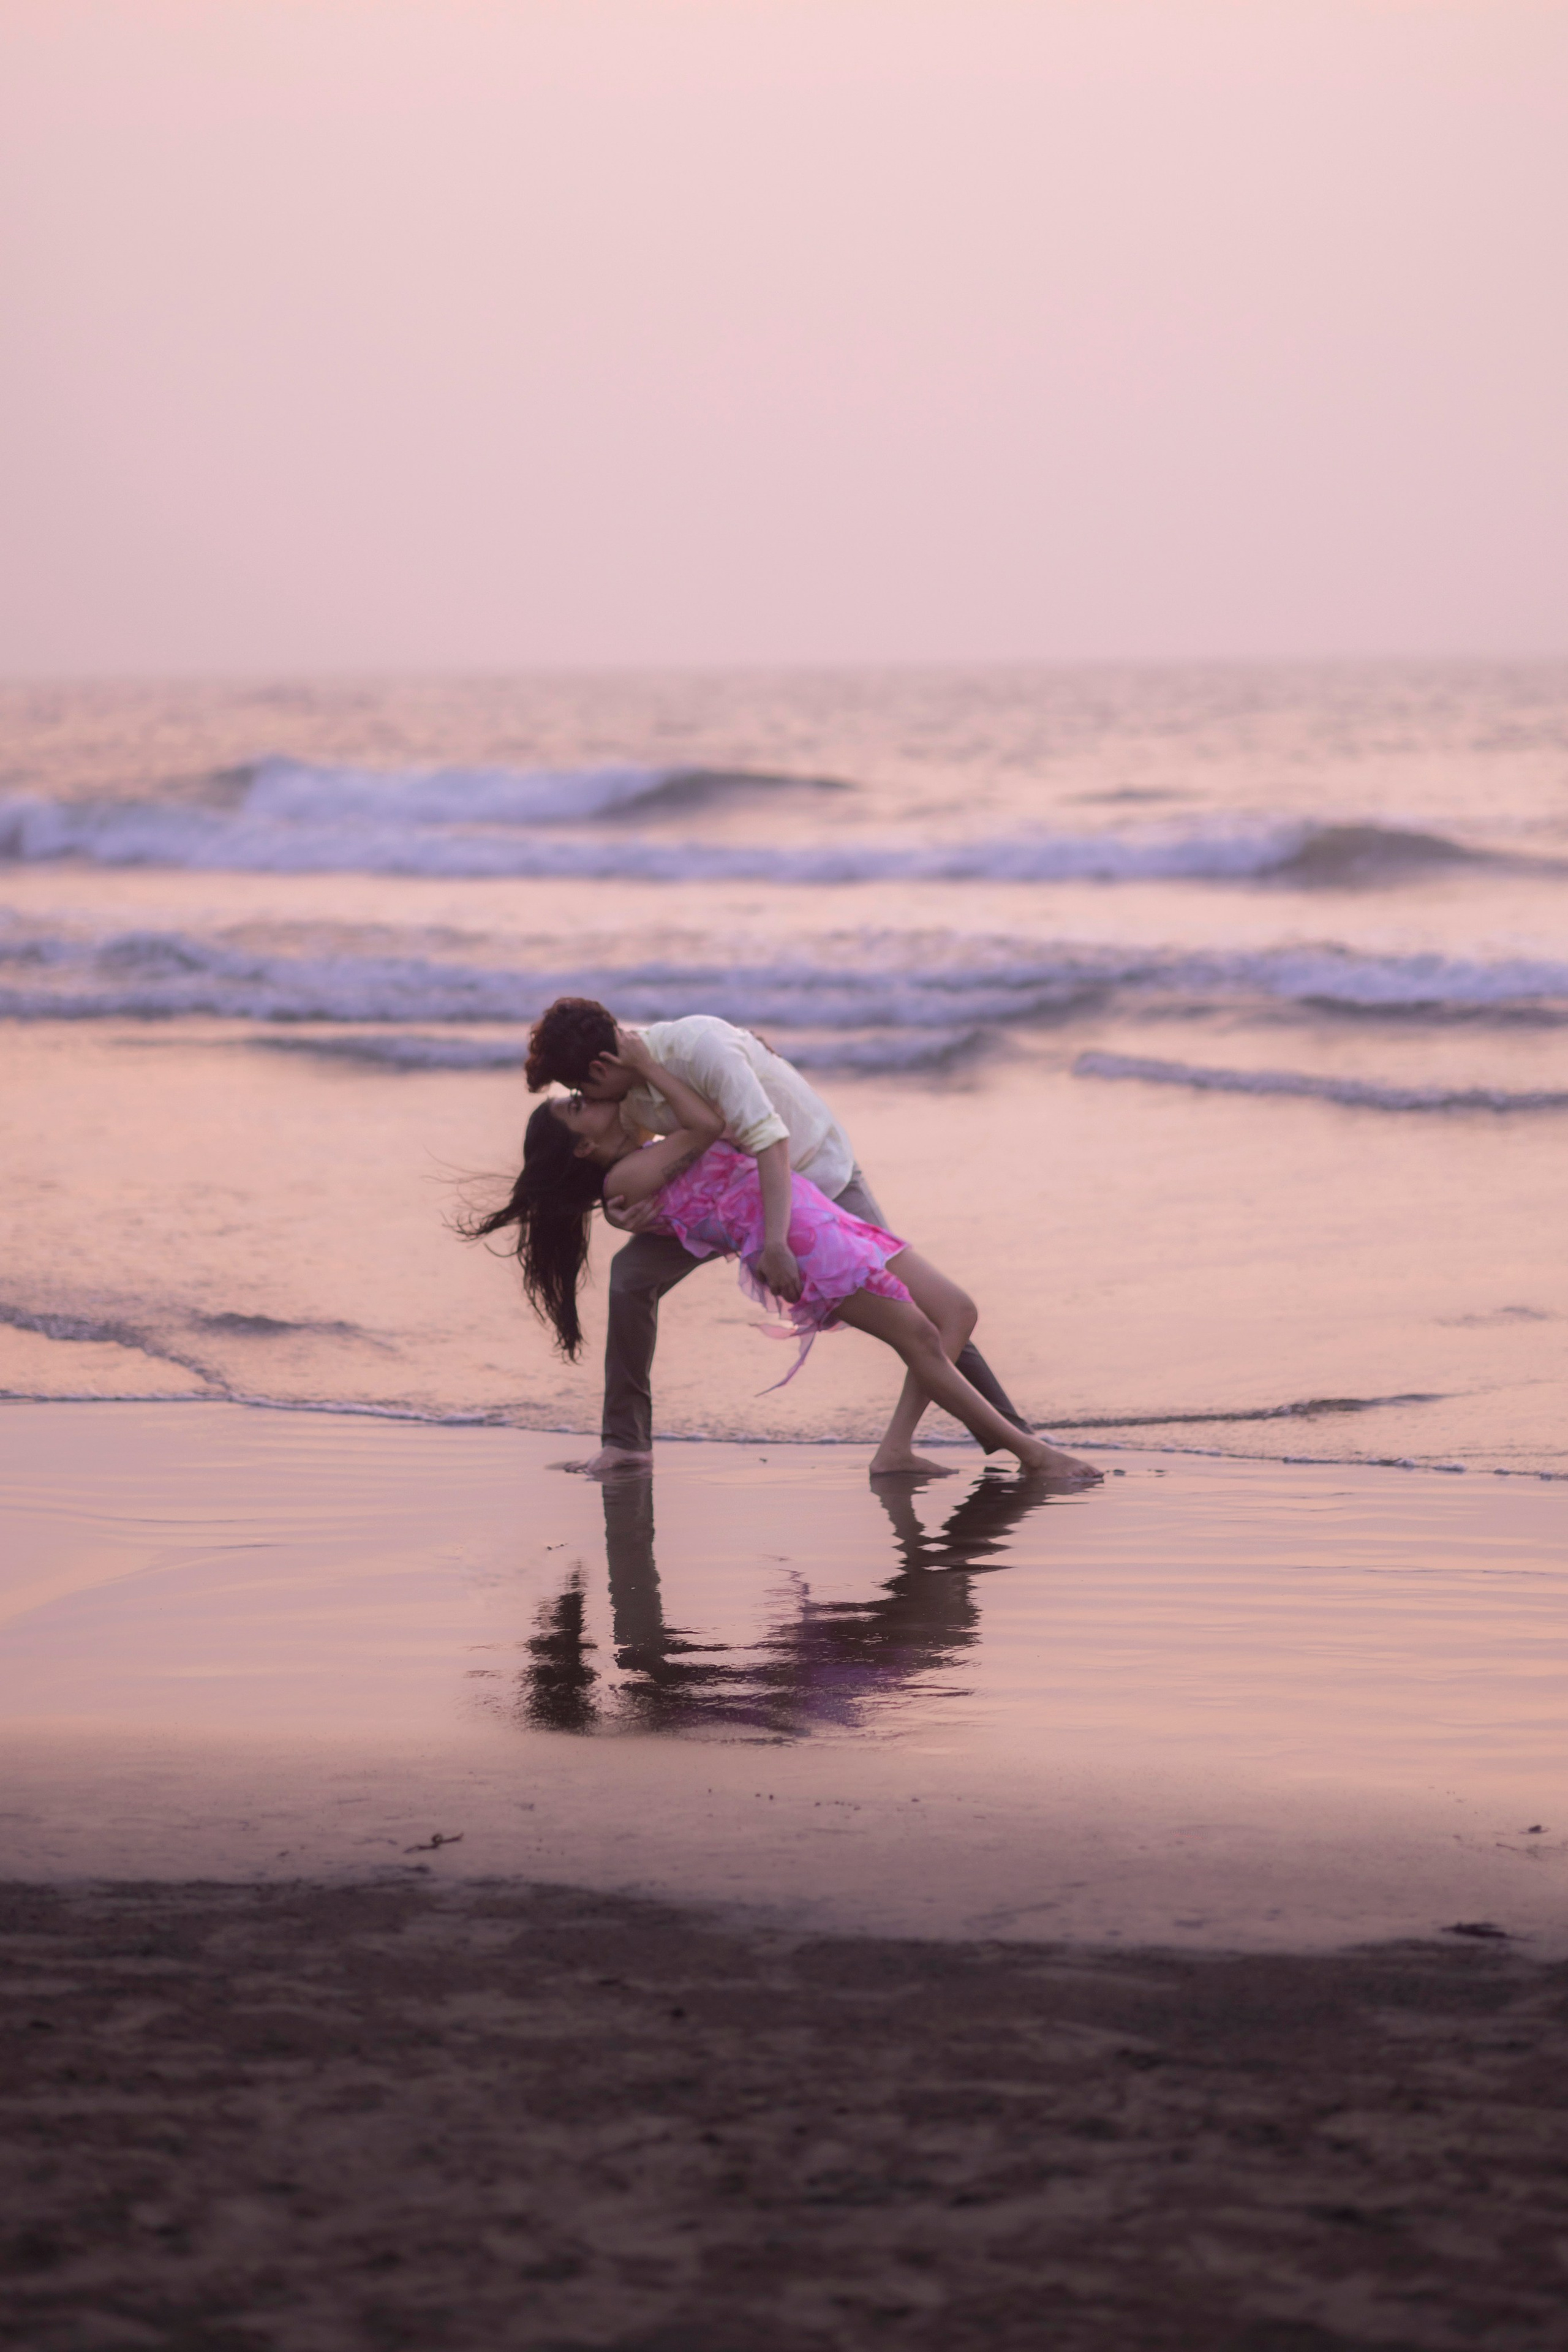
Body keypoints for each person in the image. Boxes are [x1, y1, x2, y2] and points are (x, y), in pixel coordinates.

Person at [469, 1028, 1099, 1487]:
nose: (584, 1095)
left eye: (581, 1091)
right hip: (791, 1228)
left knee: (948, 1315)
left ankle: (969, 1436)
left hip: (817, 1183)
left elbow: (719, 1135)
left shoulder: (666, 1084)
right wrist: (624, 1206)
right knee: (917, 1333)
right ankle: (1029, 1453)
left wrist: (743, 1048)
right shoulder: (632, 1142)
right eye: (574, 1101)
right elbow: (701, 1147)